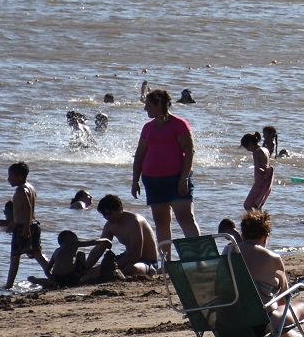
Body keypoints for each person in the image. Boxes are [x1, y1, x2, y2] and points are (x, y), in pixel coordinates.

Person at [231, 209, 304, 337]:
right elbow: (284, 298)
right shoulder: (272, 258)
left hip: (228, 326)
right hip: (260, 326)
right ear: (266, 236)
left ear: (243, 234)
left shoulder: (228, 252)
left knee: (276, 324)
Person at [132, 89, 199, 248]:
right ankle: (165, 260)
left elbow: (190, 151)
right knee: (161, 222)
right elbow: (139, 155)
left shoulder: (179, 124)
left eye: (148, 105)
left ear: (159, 105)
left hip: (177, 179)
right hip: (152, 181)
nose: (145, 108)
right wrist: (135, 181)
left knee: (185, 218)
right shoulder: (148, 127)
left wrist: (184, 178)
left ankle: (199, 258)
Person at [3, 162, 49, 289]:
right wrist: (14, 222)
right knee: (37, 254)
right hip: (33, 224)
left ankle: (8, 285)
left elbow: (28, 208)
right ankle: (54, 276)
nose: (8, 179)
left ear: (19, 177)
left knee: (15, 256)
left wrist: (25, 228)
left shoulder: (21, 190)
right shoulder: (30, 187)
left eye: (11, 176)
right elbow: (24, 211)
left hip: (25, 226)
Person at [95, 194, 161, 277]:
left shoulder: (134, 222)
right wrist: (86, 268)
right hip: (127, 257)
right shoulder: (109, 225)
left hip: (147, 262)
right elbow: (98, 249)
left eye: (109, 213)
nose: (107, 217)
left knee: (130, 269)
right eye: (104, 215)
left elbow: (135, 255)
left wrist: (114, 265)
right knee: (93, 271)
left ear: (120, 209)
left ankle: (151, 271)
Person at [44, 229, 118, 288]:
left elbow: (47, 270)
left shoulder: (56, 251)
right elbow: (91, 242)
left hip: (58, 279)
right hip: (71, 277)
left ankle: (60, 283)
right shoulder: (73, 244)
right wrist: (105, 240)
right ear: (73, 239)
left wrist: (54, 280)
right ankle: (82, 275)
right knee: (81, 254)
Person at [241, 132, 273, 212]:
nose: (247, 150)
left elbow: (258, 168)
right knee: (258, 205)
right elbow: (267, 165)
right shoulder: (265, 149)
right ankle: (261, 218)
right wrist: (267, 173)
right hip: (267, 181)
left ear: (250, 143)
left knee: (247, 205)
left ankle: (253, 218)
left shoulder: (256, 152)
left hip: (259, 182)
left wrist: (263, 172)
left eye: (247, 147)